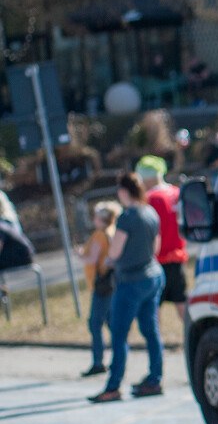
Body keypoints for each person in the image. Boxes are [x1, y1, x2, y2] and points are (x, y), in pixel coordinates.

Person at [89, 172, 166, 404]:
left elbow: (114, 251)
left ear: (123, 191)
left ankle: (113, 386)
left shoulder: (127, 217)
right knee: (151, 331)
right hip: (152, 276)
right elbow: (156, 246)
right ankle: (155, 378)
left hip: (130, 281)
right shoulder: (150, 212)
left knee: (119, 333)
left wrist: (112, 259)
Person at [136, 155, 189, 323]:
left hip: (157, 260)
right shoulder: (176, 192)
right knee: (182, 302)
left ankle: (157, 346)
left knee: (154, 306)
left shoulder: (150, 199)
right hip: (178, 257)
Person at [77, 201, 121, 377]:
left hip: (101, 286)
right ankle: (118, 355)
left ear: (102, 218)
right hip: (110, 284)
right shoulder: (112, 231)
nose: (93, 218)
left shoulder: (100, 235)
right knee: (111, 323)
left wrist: (80, 255)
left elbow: (92, 259)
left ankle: (98, 362)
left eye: (96, 215)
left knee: (95, 323)